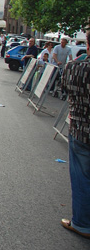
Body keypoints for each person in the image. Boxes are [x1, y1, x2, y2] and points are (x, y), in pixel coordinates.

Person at [60, 27, 90, 239]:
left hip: (81, 130)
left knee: (81, 177)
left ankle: (81, 223)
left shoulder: (73, 66)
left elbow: (63, 90)